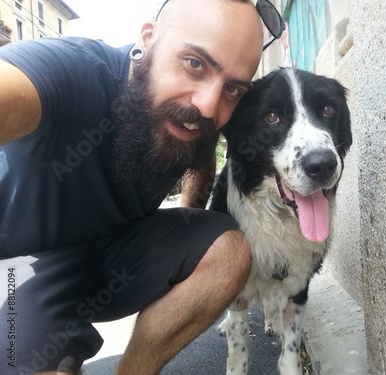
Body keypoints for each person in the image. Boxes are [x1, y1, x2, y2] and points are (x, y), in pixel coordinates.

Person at [0, 0, 284, 373]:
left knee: (228, 252)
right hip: (18, 271)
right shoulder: (74, 70)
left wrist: (191, 227)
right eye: (195, 63)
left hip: (115, 257)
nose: (207, 105)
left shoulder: (193, 119)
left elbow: (201, 162)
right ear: (148, 38)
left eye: (232, 88)